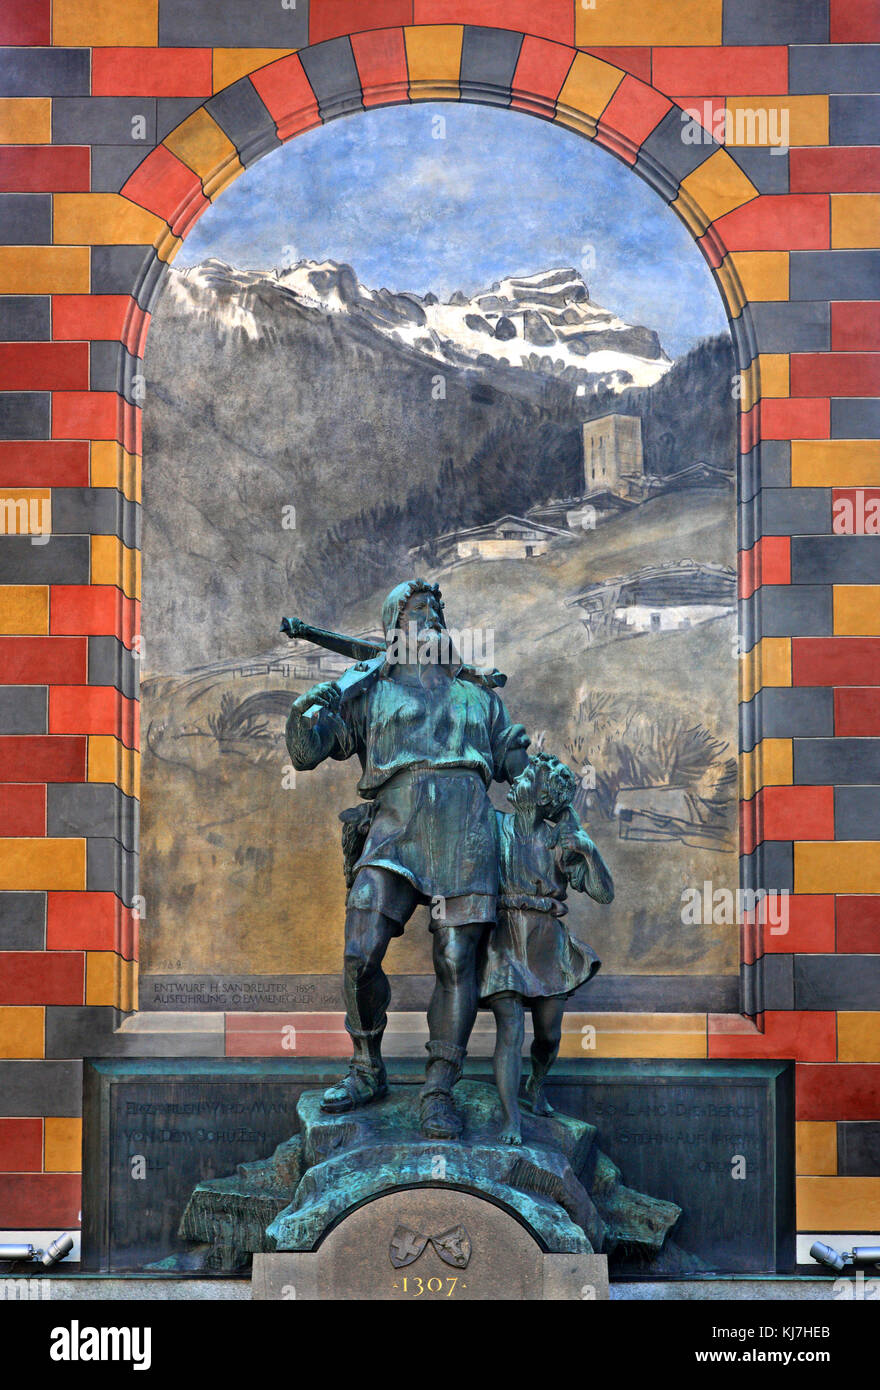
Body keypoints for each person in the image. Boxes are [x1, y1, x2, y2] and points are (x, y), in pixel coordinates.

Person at [285, 578, 530, 1139]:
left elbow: (518, 769)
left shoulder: (480, 697)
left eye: (437, 608)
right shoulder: (369, 692)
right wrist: (317, 701)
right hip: (395, 828)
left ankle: (439, 1088)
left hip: (466, 831)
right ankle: (366, 1066)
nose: (432, 616)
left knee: (455, 958)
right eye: (419, 609)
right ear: (396, 626)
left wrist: (537, 774)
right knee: (358, 954)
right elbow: (306, 755)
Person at [479, 751, 614, 1145]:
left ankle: (537, 1082)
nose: (514, 783)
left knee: (548, 1035)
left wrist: (589, 850)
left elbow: (604, 894)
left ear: (540, 798)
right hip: (503, 939)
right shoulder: (492, 824)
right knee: (510, 1030)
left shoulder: (559, 840)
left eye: (524, 781)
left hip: (546, 944)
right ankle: (511, 1120)